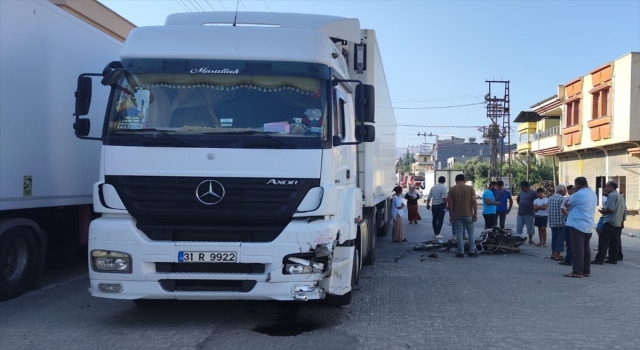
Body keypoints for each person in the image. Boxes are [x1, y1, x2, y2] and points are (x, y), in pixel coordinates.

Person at [563, 177, 597, 278]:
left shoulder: (578, 194)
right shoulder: (592, 193)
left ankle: (577, 271)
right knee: (586, 249)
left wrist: (568, 205)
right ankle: (586, 270)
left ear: (577, 184)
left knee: (577, 249)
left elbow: (567, 204)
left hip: (577, 224)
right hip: (588, 224)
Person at [592, 181, 626, 265]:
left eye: (606, 186)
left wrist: (603, 211)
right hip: (618, 221)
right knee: (614, 241)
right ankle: (613, 258)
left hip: (610, 221)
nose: (605, 188)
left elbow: (611, 209)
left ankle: (600, 259)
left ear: (611, 187)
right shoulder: (620, 196)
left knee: (603, 241)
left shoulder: (611, 196)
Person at [447, 174, 478, 258]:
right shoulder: (470, 188)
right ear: (464, 180)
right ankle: (472, 251)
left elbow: (450, 204)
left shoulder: (452, 189)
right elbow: (474, 202)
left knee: (459, 234)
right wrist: (475, 213)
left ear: (456, 180)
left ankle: (461, 252)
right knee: (471, 233)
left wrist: (451, 215)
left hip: (457, 215)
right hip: (468, 214)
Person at [547, 184, 567, 261]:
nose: (565, 191)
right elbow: (564, 209)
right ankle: (558, 254)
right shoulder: (562, 199)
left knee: (554, 237)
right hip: (560, 221)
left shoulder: (550, 198)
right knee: (560, 238)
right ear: (562, 190)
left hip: (552, 221)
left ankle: (553, 253)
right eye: (565, 190)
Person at [559, 185, 575, 266]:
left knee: (569, 241)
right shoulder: (585, 197)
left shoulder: (569, 198)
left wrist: (569, 216)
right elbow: (563, 208)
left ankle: (569, 260)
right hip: (580, 222)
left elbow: (563, 208)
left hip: (571, 222)